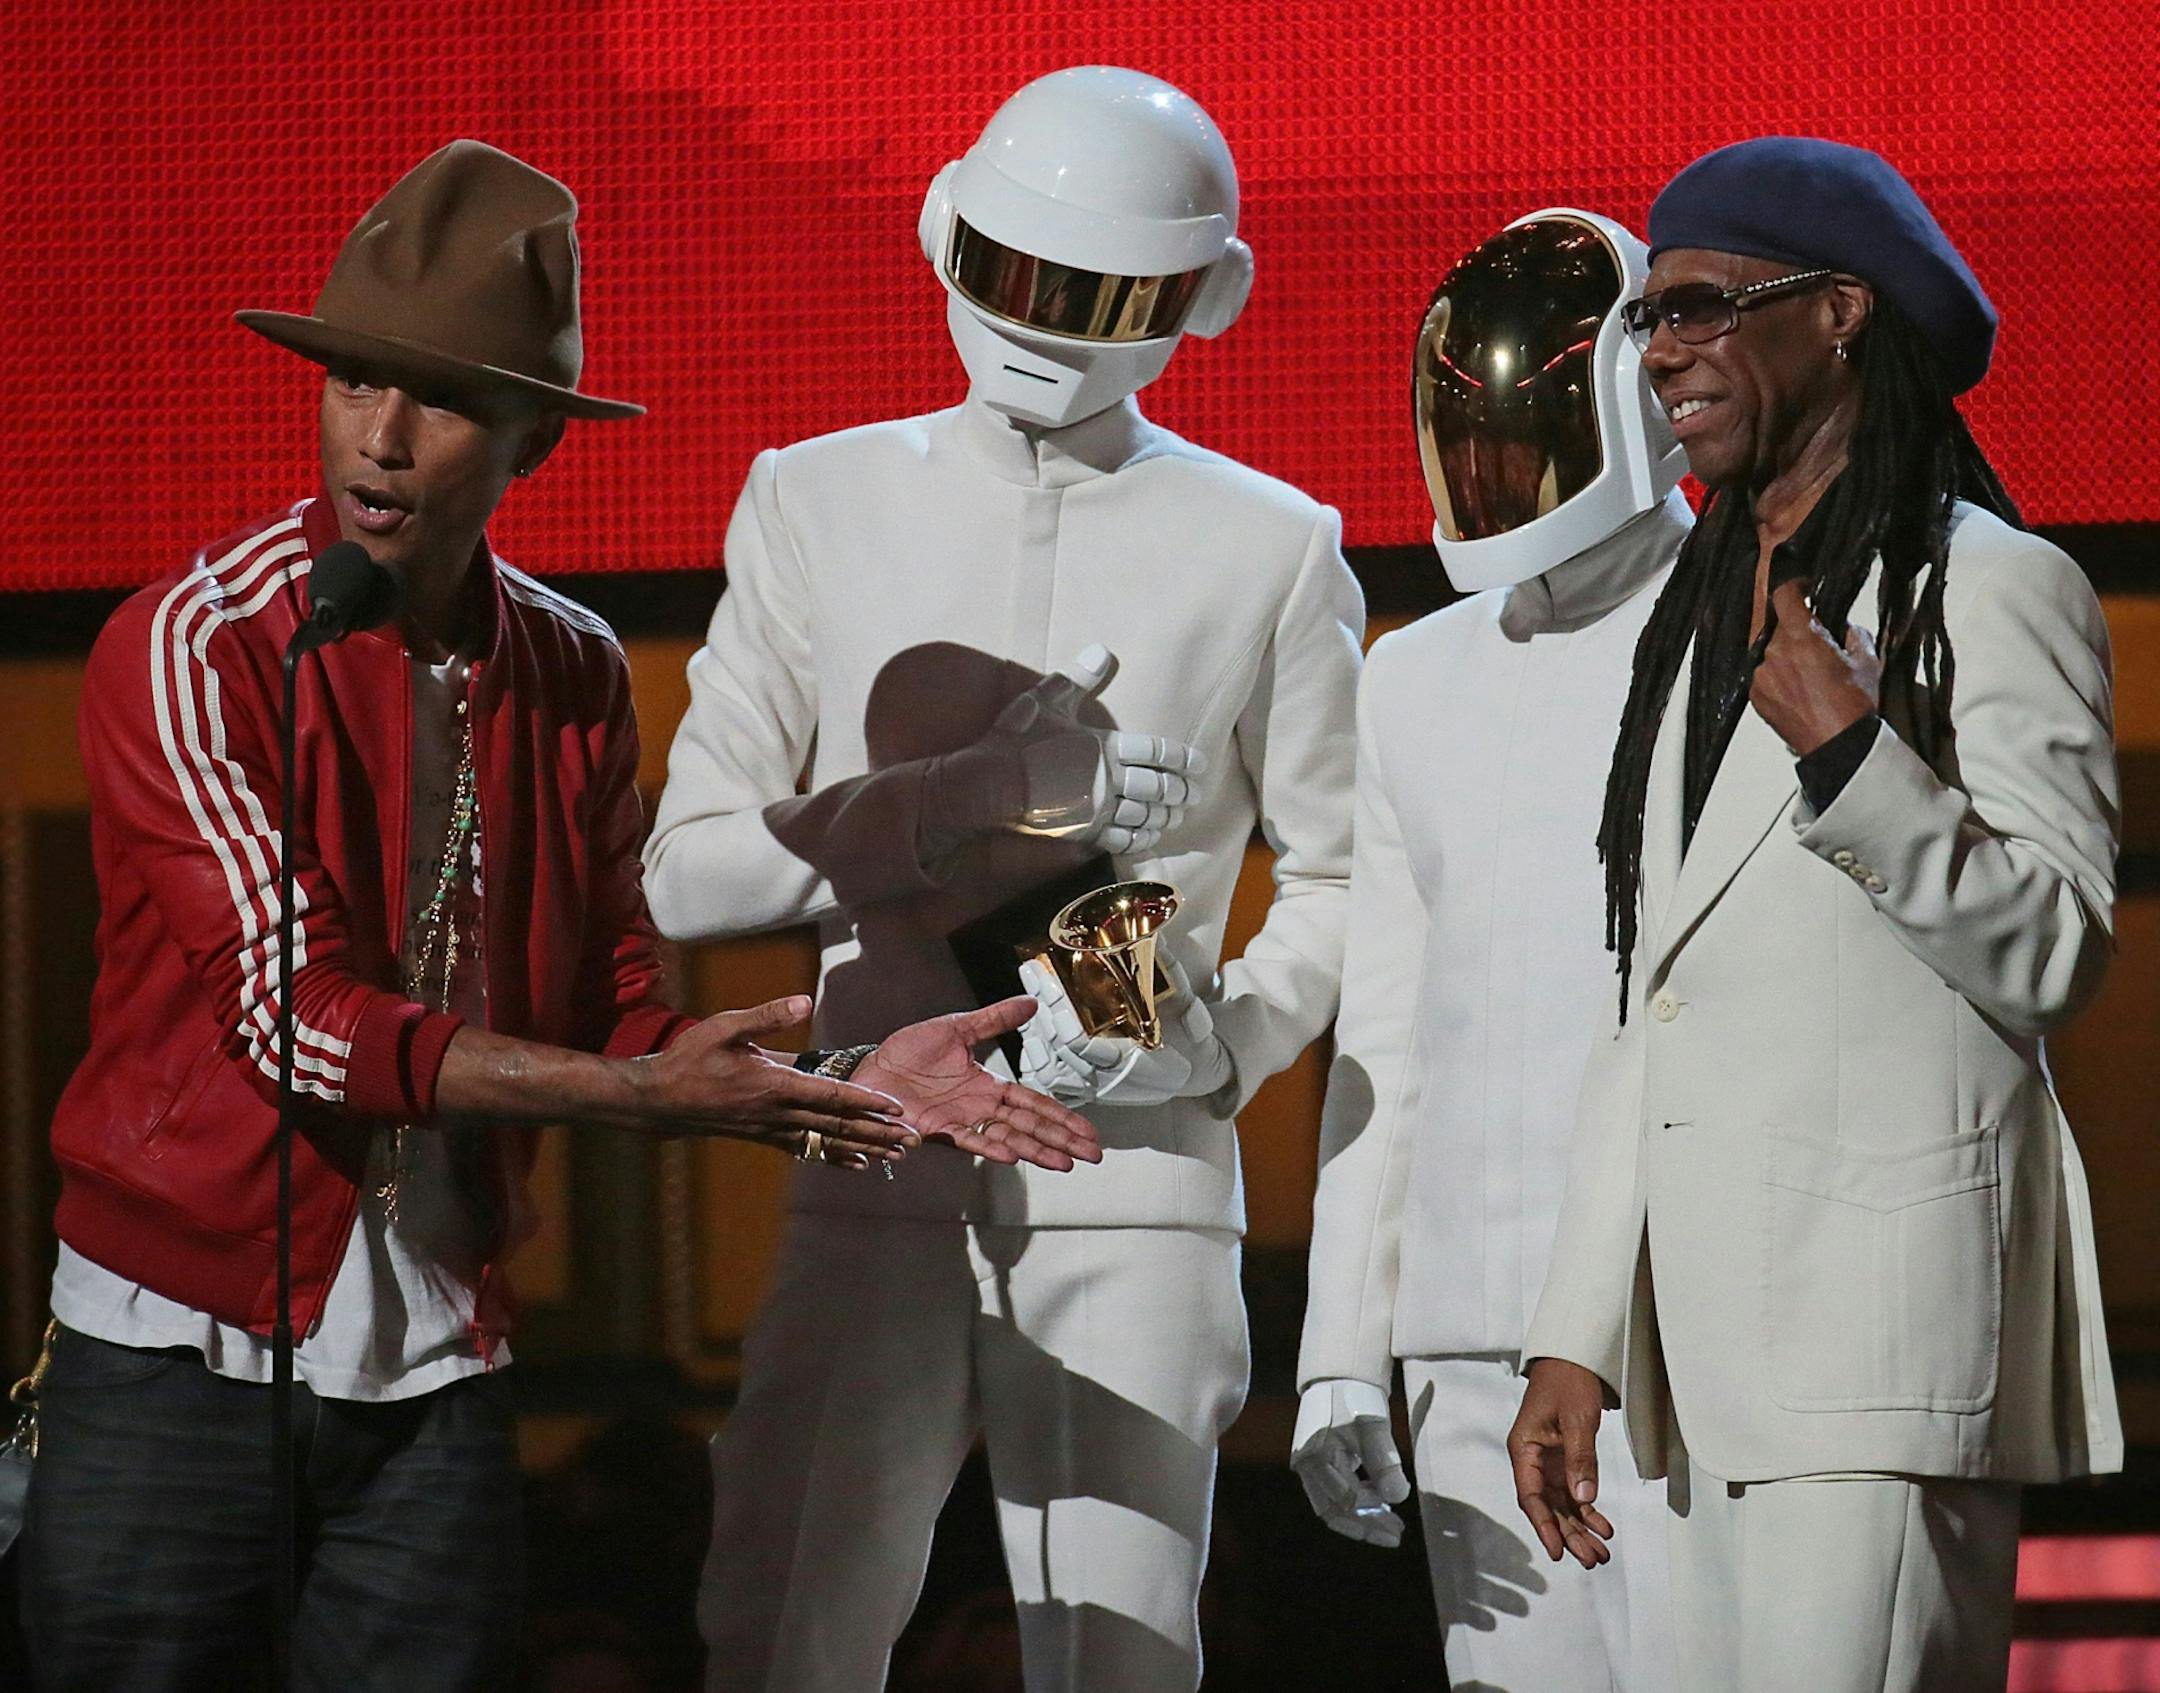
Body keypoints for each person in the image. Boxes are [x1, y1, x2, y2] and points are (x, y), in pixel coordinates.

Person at [21, 139, 1095, 1693]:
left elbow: (613, 1002)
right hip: (167, 1356)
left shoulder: (577, 669)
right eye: (351, 385)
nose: (378, 439)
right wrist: (642, 1094)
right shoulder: (194, 642)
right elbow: (290, 1019)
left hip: (437, 1366)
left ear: (533, 443)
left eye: (441, 399)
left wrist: (838, 1087)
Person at [647, 66, 1363, 1693]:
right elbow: (690, 871)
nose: (1043, 325)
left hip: (1134, 1158)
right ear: (949, 237)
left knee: (1121, 1652)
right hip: (875, 1133)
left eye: (1095, 292)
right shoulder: (816, 501)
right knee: (783, 1629)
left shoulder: (1268, 543)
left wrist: (1222, 1039)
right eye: (1015, 274)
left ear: (1198, 296)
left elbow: (1345, 871)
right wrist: (958, 797)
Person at [1506, 137, 2121, 1693]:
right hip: (1703, 1380)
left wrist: (1858, 759)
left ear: (1841, 311)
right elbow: (1660, 1003)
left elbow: (2054, 946)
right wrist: (1575, 1328)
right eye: (1649, 320)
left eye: (1706, 306)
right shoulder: (1697, 622)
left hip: (1879, 1359)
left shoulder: (1993, 584)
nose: (1665, 354)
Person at [1294, 209, 1687, 1692]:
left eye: (1526, 435)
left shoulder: (1749, 636)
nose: (1497, 476)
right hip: (1461, 1332)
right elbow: (1385, 1037)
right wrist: (1342, 1343)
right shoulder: (1413, 679)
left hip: (1679, 1321)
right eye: (1471, 437)